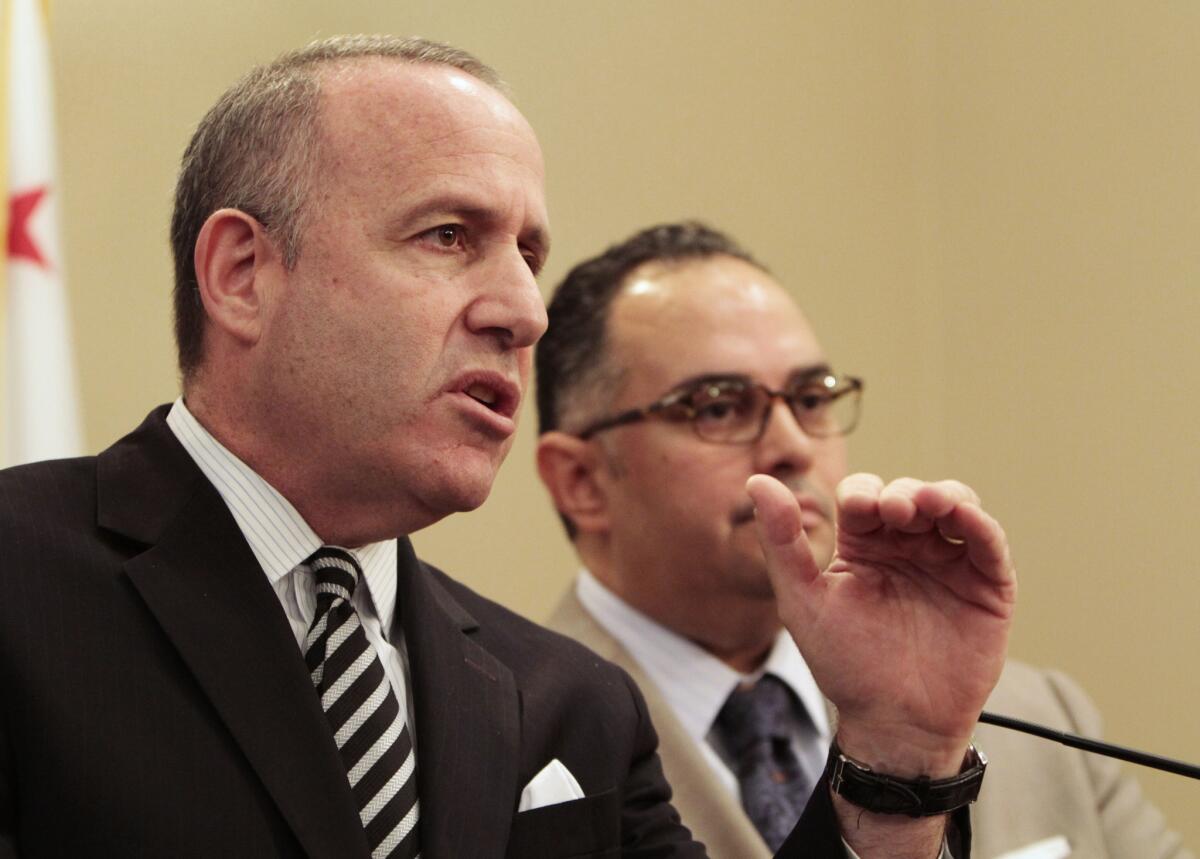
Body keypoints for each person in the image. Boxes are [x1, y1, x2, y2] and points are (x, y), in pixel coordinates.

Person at [0, 38, 1012, 859]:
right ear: (241, 273)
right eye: (448, 235)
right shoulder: (22, 579)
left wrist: (894, 757)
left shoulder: (568, 704)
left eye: (529, 253)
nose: (524, 311)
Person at [535, 221, 1192, 859]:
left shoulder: (1035, 716)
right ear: (582, 480)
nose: (792, 443)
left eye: (812, 397)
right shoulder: (515, 747)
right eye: (716, 406)